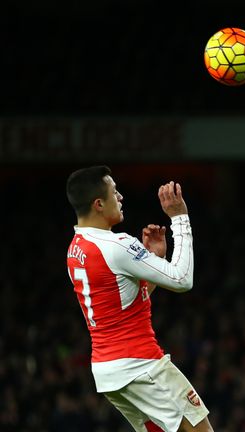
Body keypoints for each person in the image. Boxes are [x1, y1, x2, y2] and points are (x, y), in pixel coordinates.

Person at [65, 166, 214, 432]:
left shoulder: (76, 248)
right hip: (140, 364)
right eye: (114, 192)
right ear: (99, 204)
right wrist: (180, 218)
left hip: (108, 371)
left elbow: (128, 302)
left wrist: (154, 262)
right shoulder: (117, 244)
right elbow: (182, 280)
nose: (120, 197)